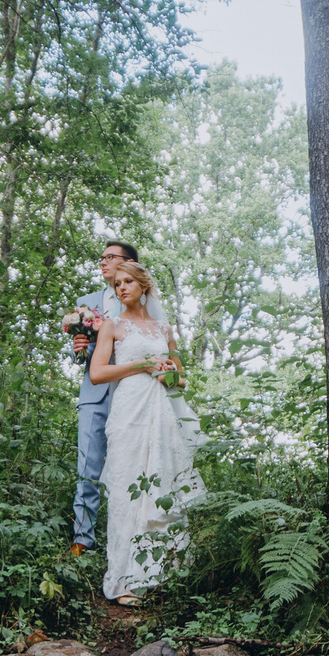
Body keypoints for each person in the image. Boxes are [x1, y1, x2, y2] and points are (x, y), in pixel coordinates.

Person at [86, 257, 203, 603]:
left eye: (127, 283)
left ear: (144, 286)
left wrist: (167, 370)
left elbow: (180, 378)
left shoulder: (165, 329)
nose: (121, 288)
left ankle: (160, 574)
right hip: (128, 411)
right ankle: (122, 581)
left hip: (160, 411)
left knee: (162, 482)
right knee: (126, 488)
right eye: (116, 284)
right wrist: (141, 364)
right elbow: (97, 374)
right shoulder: (112, 326)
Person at [67, 242, 136, 554]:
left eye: (111, 258)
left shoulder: (142, 301)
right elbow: (80, 358)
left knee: (131, 467)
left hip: (133, 393)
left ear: (129, 262)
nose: (103, 263)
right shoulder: (87, 303)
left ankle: (127, 542)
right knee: (88, 466)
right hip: (94, 395)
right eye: (102, 258)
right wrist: (78, 349)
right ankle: (83, 539)